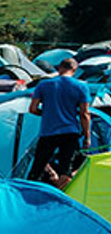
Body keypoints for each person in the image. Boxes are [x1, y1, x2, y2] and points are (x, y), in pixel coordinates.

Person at [29, 58, 92, 188]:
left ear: (59, 68)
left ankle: (28, 193)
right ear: (74, 70)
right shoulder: (81, 86)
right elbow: (84, 114)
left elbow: (33, 109)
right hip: (70, 132)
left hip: (48, 131)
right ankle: (63, 196)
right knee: (66, 168)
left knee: (38, 167)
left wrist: (46, 113)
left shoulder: (43, 85)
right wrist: (87, 136)